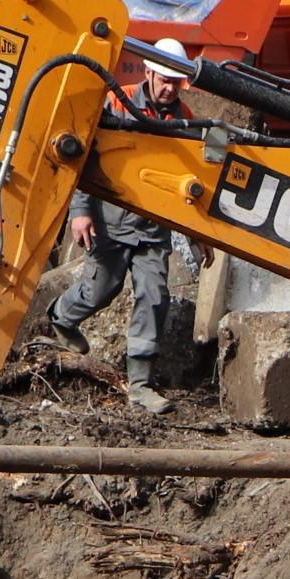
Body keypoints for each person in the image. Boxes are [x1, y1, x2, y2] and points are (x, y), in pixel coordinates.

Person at [47, 38, 197, 415]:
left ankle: (141, 386)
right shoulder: (116, 102)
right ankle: (61, 316)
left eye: (175, 83)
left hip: (152, 228)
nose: (169, 88)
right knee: (102, 288)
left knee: (154, 295)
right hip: (109, 220)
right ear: (148, 72)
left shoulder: (186, 119)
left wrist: (198, 233)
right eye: (164, 80)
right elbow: (84, 156)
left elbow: (196, 178)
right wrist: (80, 210)